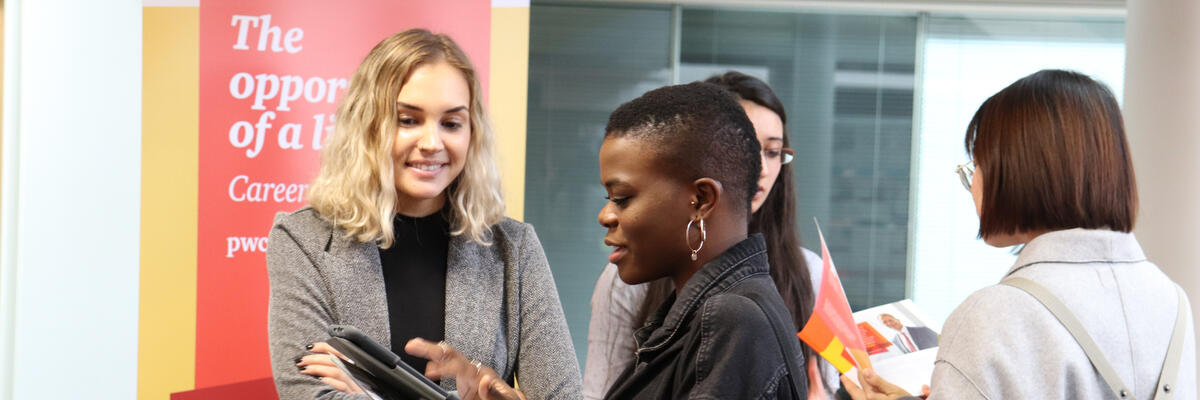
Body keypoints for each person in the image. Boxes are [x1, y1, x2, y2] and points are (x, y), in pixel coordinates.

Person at [265, 29, 581, 400]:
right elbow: (306, 394)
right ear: (367, 125)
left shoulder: (514, 248)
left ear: (472, 132)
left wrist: (370, 396)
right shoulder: (303, 240)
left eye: (451, 123)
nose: (432, 143)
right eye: (408, 120)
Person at [843, 69, 1196, 400]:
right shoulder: (1172, 299)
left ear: (1017, 173)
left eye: (976, 165)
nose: (972, 185)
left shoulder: (994, 313)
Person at [583, 71, 837, 399]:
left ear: (702, 200)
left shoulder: (730, 319)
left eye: (622, 198)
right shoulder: (704, 308)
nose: (606, 216)